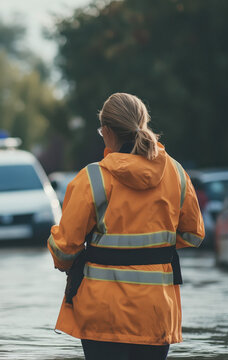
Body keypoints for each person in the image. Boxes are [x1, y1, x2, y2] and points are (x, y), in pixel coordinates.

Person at [47, 93, 204, 360]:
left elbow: (64, 251)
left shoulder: (93, 178)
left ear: (107, 131)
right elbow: (193, 235)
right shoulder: (176, 174)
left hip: (101, 316)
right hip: (156, 312)